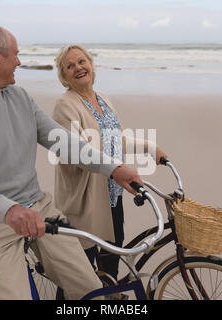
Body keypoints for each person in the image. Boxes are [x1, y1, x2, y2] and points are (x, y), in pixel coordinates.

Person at [0, 22, 143, 300]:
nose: (19, 61)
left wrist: (113, 168)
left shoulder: (18, 96)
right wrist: (9, 211)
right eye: (15, 54)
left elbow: (62, 140)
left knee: (93, 294)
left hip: (37, 207)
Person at [52, 44, 168, 282]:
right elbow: (78, 154)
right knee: (80, 279)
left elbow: (118, 138)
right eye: (70, 66)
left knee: (110, 271)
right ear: (63, 76)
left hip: (113, 197)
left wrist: (149, 147)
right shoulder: (65, 105)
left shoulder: (102, 98)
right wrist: (116, 169)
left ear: (92, 66)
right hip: (85, 203)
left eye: (82, 62)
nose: (78, 68)